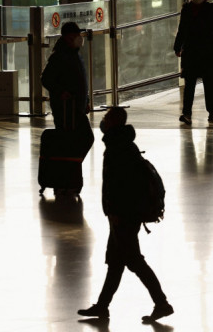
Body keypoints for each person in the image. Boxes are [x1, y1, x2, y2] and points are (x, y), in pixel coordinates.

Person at [78, 107, 174, 322]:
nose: (102, 122)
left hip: (123, 215)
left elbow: (121, 186)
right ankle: (102, 306)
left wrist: (115, 213)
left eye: (105, 118)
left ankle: (162, 303)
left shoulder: (118, 148)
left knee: (134, 261)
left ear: (112, 122)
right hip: (124, 214)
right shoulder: (123, 144)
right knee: (115, 261)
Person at [173, 0, 213, 125]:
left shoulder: (210, 9)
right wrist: (177, 47)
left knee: (207, 85)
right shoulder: (187, 10)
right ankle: (187, 113)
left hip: (203, 52)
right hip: (194, 52)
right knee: (191, 85)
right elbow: (182, 30)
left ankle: (211, 112)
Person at [41, 21, 95, 157]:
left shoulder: (74, 54)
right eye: (75, 35)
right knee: (75, 139)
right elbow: (46, 79)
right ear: (67, 37)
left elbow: (81, 81)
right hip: (66, 109)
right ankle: (67, 167)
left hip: (77, 107)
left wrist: (86, 100)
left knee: (79, 139)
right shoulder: (59, 56)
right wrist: (60, 92)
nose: (79, 38)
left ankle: (71, 166)